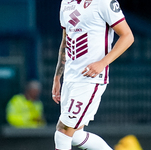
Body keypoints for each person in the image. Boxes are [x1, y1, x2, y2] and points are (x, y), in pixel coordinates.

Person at [52, 0, 134, 149]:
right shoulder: (66, 3)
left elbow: (127, 36)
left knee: (63, 131)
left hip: (89, 79)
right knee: (76, 135)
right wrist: (57, 77)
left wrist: (103, 63)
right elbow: (66, 40)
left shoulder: (103, 2)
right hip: (70, 77)